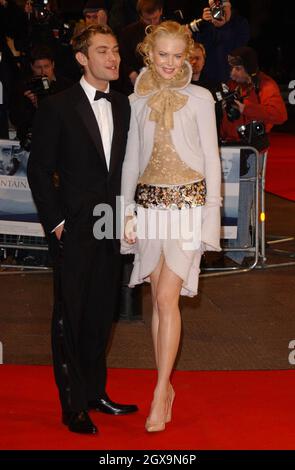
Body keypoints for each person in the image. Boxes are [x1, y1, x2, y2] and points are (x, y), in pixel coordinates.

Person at [27, 24, 138, 435]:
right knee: (70, 316)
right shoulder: (57, 107)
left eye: (116, 51)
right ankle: (72, 403)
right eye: (103, 51)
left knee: (100, 314)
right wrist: (56, 223)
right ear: (82, 58)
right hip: (73, 228)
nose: (113, 58)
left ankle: (94, 392)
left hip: (112, 225)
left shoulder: (124, 105)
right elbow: (39, 170)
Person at [121, 21, 221, 432]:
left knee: (166, 295)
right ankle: (164, 385)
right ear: (149, 53)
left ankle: (161, 389)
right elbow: (131, 159)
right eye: (162, 54)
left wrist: (211, 220)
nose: (169, 63)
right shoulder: (137, 98)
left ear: (188, 57)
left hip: (188, 207)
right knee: (160, 302)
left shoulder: (200, 98)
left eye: (177, 55)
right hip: (148, 209)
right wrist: (125, 211)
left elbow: (212, 160)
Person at [220, 46, 287, 265]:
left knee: (243, 200)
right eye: (232, 68)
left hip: (251, 151)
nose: (233, 73)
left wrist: (246, 108)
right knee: (232, 200)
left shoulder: (265, 85)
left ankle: (238, 252)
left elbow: (279, 114)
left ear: (248, 68)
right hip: (232, 147)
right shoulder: (235, 85)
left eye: (237, 68)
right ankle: (240, 247)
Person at [190, 0, 250, 82]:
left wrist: (223, 27)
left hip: (230, 79)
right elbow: (200, 49)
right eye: (215, 8)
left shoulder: (240, 23)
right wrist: (204, 23)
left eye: (224, 8)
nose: (220, 12)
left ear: (230, 7)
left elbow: (238, 49)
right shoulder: (206, 24)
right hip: (206, 77)